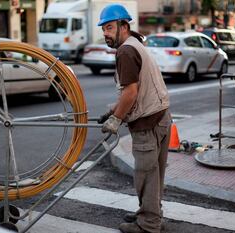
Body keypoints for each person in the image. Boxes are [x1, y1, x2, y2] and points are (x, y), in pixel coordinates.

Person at [97, 4, 171, 233]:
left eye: (109, 27)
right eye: (103, 29)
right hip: (161, 116)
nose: (105, 33)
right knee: (155, 174)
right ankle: (152, 214)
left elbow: (131, 92)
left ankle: (149, 225)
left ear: (124, 26)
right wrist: (113, 110)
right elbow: (139, 89)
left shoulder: (125, 51)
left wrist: (116, 119)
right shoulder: (136, 43)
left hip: (147, 124)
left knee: (146, 176)